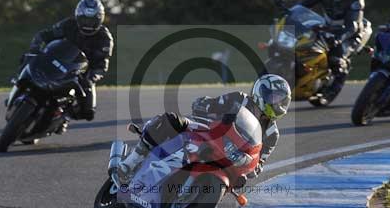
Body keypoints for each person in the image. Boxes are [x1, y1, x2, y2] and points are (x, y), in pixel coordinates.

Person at [115, 74, 291, 184]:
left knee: (239, 181)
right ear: (261, 92)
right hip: (208, 132)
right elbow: (209, 104)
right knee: (171, 120)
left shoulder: (272, 133)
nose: (278, 105)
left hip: (231, 159)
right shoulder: (239, 99)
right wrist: (205, 105)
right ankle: (131, 162)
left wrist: (250, 169)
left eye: (282, 101)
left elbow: (259, 164)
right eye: (275, 98)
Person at [24, 0, 113, 125]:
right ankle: (18, 86)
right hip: (55, 61)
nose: (88, 24)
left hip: (78, 74)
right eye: (84, 19)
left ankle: (62, 116)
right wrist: (35, 48)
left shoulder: (105, 38)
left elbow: (102, 64)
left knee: (88, 112)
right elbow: (45, 35)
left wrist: (90, 78)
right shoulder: (68, 24)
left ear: (100, 19)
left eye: (92, 20)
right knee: (27, 59)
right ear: (78, 16)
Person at [299, 0, 372, 103]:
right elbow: (305, 4)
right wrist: (289, 12)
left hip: (351, 32)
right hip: (329, 27)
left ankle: (332, 90)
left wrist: (339, 38)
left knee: (337, 57)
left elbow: (352, 26)